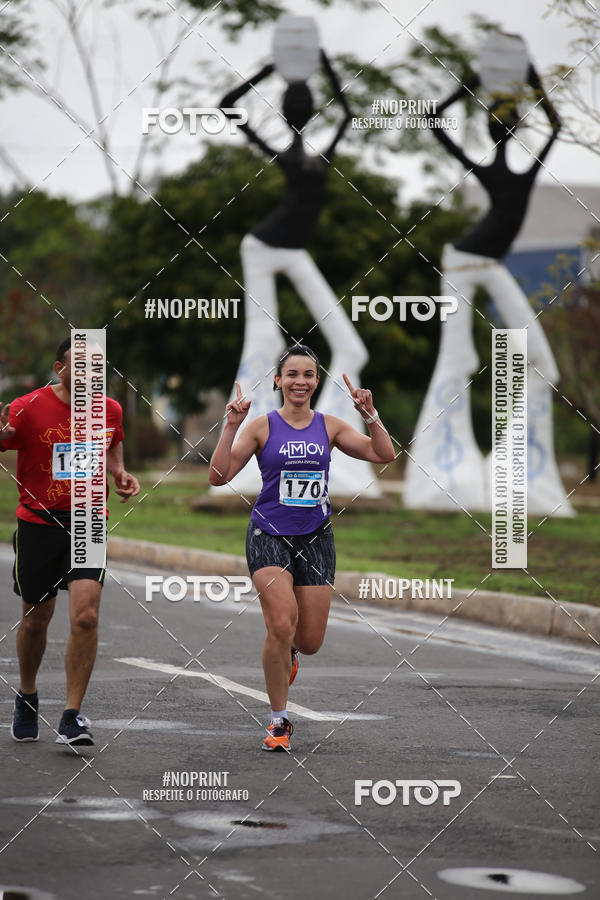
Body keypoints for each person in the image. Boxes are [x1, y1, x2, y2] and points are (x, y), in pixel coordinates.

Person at [404, 62, 572, 515]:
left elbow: (558, 125)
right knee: (457, 362)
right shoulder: (493, 169)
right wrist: (474, 81)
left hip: (489, 264)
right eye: (500, 121)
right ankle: (442, 475)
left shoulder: (524, 169)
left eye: (508, 120)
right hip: (458, 264)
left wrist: (530, 78)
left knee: (544, 365)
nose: (504, 126)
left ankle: (514, 474)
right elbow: (434, 124)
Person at [209, 344, 395, 751]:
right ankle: (279, 720)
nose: (300, 382)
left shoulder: (329, 426)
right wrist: (230, 426)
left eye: (308, 375)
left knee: (308, 640)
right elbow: (218, 477)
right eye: (292, 374)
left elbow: (384, 454)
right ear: (278, 380)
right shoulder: (260, 427)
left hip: (316, 537)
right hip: (268, 534)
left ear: (316, 381)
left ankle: (290, 650)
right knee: (280, 622)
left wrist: (371, 417)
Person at [0, 337, 140, 746]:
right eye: (81, 363)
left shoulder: (110, 410)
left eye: (98, 364)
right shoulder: (28, 407)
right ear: (60, 369)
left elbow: (112, 448)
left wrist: (119, 474)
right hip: (38, 523)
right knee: (36, 620)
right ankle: (27, 694)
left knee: (85, 617)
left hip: (89, 520)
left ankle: (71, 715)